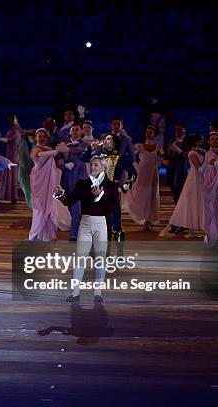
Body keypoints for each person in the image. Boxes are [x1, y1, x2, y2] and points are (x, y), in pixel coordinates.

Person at [56, 155, 120, 303]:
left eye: (96, 165)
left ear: (103, 167)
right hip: (85, 223)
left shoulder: (110, 186)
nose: (93, 167)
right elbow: (70, 201)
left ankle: (98, 292)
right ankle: (75, 292)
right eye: (91, 165)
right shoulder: (82, 184)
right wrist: (61, 195)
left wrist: (101, 196)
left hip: (102, 224)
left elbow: (114, 209)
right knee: (80, 258)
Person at [81, 134, 136, 241]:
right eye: (104, 139)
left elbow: (133, 173)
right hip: (97, 191)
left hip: (112, 192)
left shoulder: (121, 157)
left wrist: (127, 185)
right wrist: (90, 148)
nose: (105, 141)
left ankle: (120, 253)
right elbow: (83, 158)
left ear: (114, 143)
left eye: (108, 139)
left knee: (116, 223)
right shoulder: (98, 156)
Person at [159, 134, 206, 239]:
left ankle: (193, 230)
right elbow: (199, 168)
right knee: (189, 203)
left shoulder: (200, 151)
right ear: (196, 142)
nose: (203, 140)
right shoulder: (192, 153)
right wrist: (208, 160)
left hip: (200, 180)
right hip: (195, 180)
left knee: (197, 204)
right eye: (201, 139)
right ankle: (179, 227)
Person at [28, 128, 70, 241]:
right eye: (39, 136)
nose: (41, 138)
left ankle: (49, 235)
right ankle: (37, 233)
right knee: (40, 207)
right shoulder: (35, 149)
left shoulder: (48, 148)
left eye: (43, 136)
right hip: (38, 180)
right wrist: (53, 152)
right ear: (36, 137)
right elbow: (36, 155)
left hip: (49, 181)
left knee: (50, 206)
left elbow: (54, 163)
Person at [123, 125, 164, 231]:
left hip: (152, 173)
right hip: (141, 173)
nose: (148, 134)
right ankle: (143, 218)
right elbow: (130, 152)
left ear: (154, 134)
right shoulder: (140, 146)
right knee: (141, 195)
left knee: (151, 196)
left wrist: (163, 158)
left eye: (150, 132)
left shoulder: (158, 147)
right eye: (147, 132)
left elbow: (163, 158)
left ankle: (148, 221)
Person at [58, 123, 88, 240]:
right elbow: (58, 158)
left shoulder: (85, 144)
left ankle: (74, 233)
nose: (75, 131)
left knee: (77, 207)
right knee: (71, 207)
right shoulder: (64, 144)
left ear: (81, 132)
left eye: (77, 129)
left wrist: (69, 149)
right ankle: (77, 230)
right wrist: (64, 165)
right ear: (70, 132)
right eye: (73, 130)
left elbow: (84, 150)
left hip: (80, 179)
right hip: (67, 179)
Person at [0, 114, 23, 203]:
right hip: (11, 154)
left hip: (13, 155)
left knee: (11, 175)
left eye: (12, 120)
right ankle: (11, 196)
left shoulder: (15, 131)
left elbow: (7, 140)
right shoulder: (14, 130)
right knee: (10, 175)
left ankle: (12, 196)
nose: (10, 122)